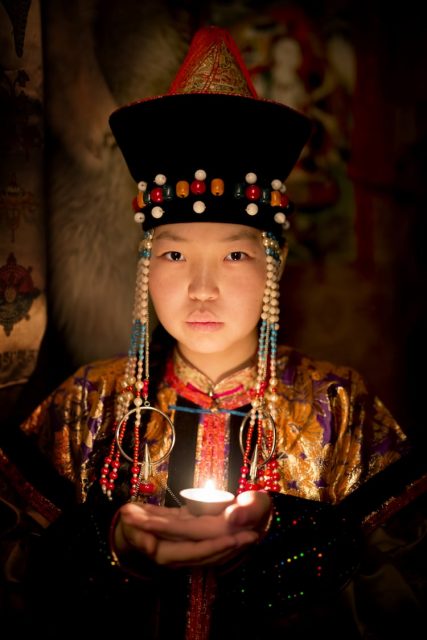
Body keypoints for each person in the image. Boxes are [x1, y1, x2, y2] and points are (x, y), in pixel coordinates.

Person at [0, 25, 424, 640]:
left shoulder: (336, 405)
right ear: (145, 266)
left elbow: (409, 573)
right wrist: (109, 547)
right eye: (174, 257)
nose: (202, 288)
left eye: (233, 256)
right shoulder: (90, 403)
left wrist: (299, 552)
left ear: (272, 265)